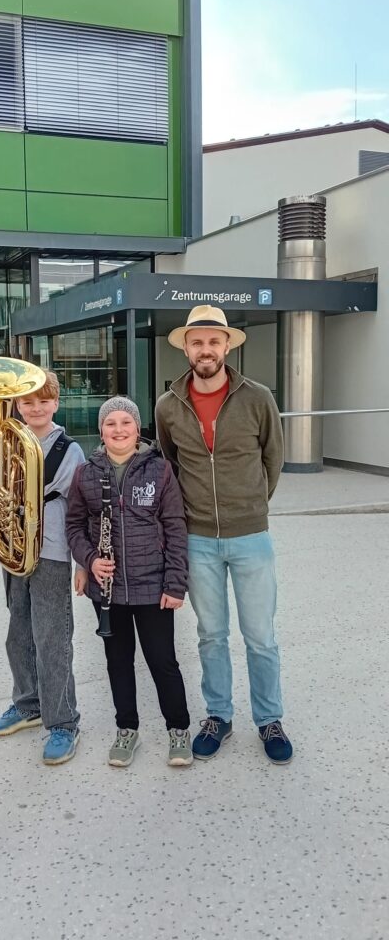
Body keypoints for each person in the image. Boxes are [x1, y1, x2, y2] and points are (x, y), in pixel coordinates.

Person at [155, 305, 293, 765]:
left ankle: (269, 719)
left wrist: (251, 505)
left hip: (251, 536)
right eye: (197, 342)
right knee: (211, 635)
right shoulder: (168, 405)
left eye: (214, 341)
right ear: (186, 348)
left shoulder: (258, 398)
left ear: (227, 346)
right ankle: (218, 715)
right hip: (197, 540)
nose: (206, 349)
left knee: (260, 636)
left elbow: (273, 459)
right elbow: (171, 465)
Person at [0, 370, 85, 766]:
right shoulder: (6, 442)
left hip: (51, 552)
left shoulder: (69, 449)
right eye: (28, 401)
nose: (36, 408)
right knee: (18, 633)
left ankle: (63, 721)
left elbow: (80, 508)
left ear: (56, 404)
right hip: (13, 548)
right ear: (17, 404)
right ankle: (28, 704)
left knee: (52, 638)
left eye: (44, 401)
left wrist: (83, 561)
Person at [66, 397, 192, 769]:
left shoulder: (160, 470)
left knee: (162, 661)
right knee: (118, 662)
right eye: (110, 423)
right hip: (108, 589)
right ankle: (127, 728)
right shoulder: (85, 474)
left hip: (153, 585)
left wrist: (176, 584)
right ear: (101, 430)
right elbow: (74, 526)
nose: (118, 430)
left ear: (138, 429)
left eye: (126, 422)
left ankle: (178, 729)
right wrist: (90, 559)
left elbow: (175, 527)